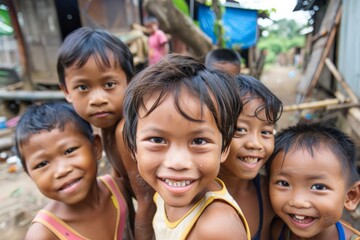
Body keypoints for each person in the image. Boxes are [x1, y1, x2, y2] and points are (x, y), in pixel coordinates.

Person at [122, 53, 251, 239]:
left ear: (224, 148)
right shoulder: (161, 192)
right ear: (134, 147)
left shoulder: (218, 227)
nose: (177, 162)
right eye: (157, 140)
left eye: (199, 141)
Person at [57, 27, 155, 239]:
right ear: (66, 91)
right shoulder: (106, 128)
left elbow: (147, 201)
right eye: (83, 87)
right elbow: (120, 181)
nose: (98, 99)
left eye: (109, 84)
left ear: (129, 82)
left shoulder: (123, 131)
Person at [14, 102, 131, 239]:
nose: (61, 171)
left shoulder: (119, 191)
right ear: (29, 175)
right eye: (42, 164)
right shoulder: (43, 234)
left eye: (69, 150)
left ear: (96, 147)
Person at [266, 122, 360, 240]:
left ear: (351, 196)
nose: (298, 202)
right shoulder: (277, 230)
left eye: (319, 187)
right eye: (284, 183)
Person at [218, 74, 283, 240]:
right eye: (240, 129)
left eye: (266, 132)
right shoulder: (189, 193)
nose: (255, 144)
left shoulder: (270, 194)